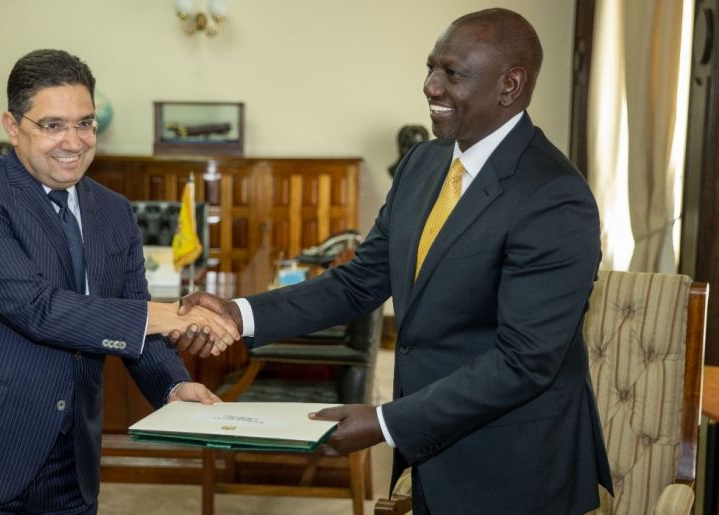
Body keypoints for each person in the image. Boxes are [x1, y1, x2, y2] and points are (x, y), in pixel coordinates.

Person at [174, 8, 613, 514]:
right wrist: (240, 313)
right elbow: (358, 283)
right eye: (430, 69)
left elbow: (523, 362)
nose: (430, 87)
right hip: (432, 456)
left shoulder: (554, 196)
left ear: (509, 86)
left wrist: (384, 422)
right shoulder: (424, 163)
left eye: (452, 73)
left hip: (516, 469)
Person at [0, 49, 237, 514]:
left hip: (70, 458)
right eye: (52, 125)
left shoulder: (114, 210)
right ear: (12, 125)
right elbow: (36, 308)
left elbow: (131, 316)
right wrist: (169, 315)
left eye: (85, 123)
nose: (74, 141)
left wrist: (172, 386)